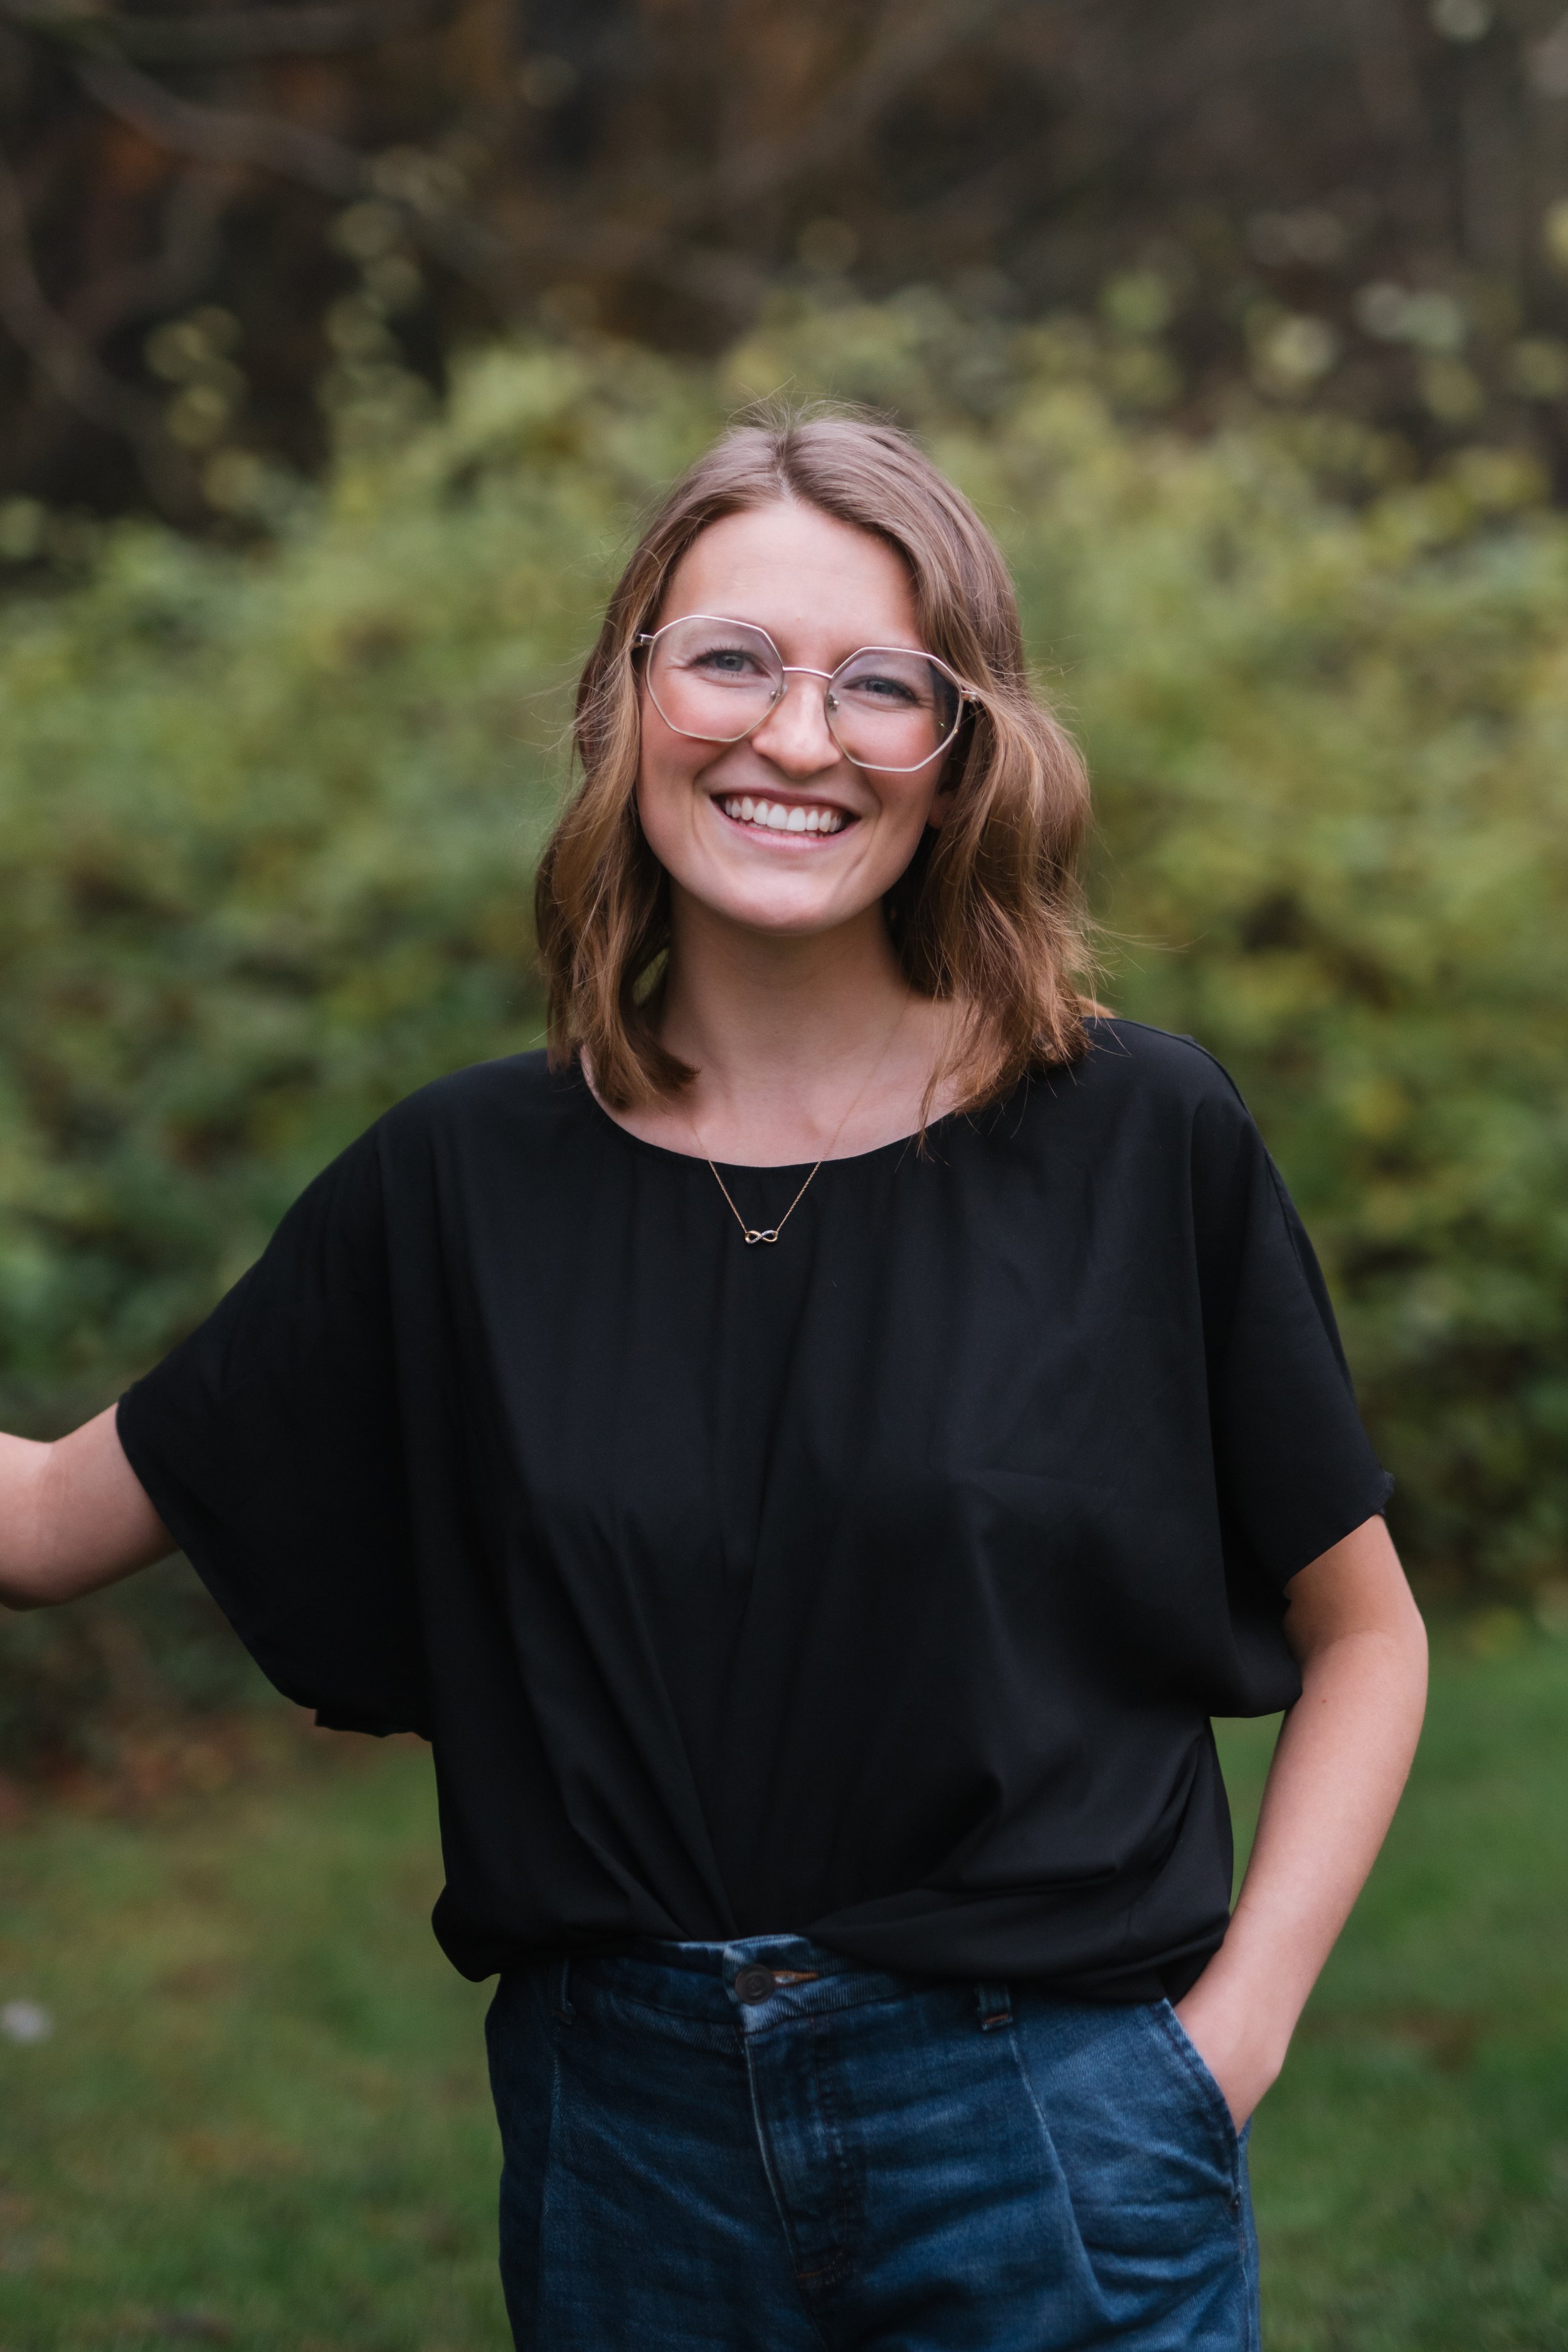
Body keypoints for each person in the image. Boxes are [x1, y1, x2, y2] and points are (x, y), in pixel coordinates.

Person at [0, 410, 1428, 2352]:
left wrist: (1219, 2051)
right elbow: (42, 1521)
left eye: (879, 685)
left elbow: (1365, 1636)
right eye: (733, 659)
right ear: (623, 700)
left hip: (1047, 2131)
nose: (797, 736)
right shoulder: (461, 1184)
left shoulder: (1129, 1136)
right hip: (625, 2154)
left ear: (962, 749)